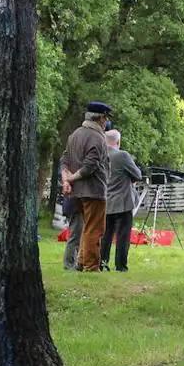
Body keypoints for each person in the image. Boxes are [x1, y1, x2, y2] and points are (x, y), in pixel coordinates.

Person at [62, 101, 111, 272]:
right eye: (105, 118)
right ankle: (91, 266)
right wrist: (73, 178)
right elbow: (91, 166)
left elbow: (65, 160)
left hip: (77, 193)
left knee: (85, 228)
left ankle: (82, 262)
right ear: (101, 118)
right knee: (95, 229)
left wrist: (67, 180)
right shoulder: (97, 137)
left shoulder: (75, 134)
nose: (106, 122)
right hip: (94, 190)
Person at [100, 129, 143, 272]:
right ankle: (121, 266)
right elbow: (137, 175)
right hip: (123, 203)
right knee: (122, 237)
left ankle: (102, 263)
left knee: (105, 236)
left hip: (105, 202)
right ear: (118, 142)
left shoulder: (99, 156)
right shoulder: (122, 155)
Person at [60, 153, 83, 271]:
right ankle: (69, 263)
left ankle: (77, 262)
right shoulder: (71, 165)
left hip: (71, 202)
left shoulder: (66, 164)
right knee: (75, 234)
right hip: (75, 202)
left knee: (78, 234)